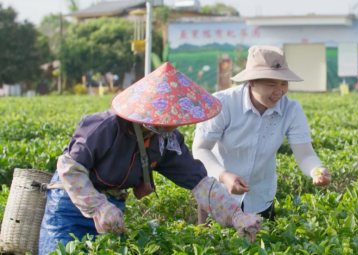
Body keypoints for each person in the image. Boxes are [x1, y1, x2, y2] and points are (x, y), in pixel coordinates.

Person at [38, 63, 262, 255]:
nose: (174, 124)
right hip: (70, 208)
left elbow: (199, 182)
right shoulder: (105, 127)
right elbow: (69, 167)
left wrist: (236, 216)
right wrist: (97, 207)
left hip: (113, 207)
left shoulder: (166, 139)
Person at [193, 45, 332, 224]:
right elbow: (201, 149)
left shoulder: (292, 110)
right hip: (218, 198)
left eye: (284, 84)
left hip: (260, 200)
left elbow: (305, 154)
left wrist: (316, 170)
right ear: (251, 82)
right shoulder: (223, 104)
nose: (279, 91)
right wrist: (225, 176)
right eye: (271, 84)